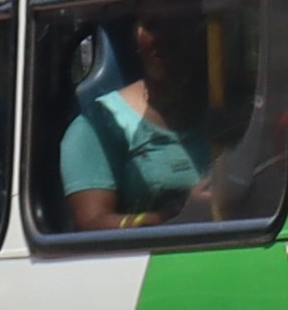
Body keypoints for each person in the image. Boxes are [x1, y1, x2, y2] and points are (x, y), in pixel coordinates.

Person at [60, 15, 214, 231]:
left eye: (178, 25)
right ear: (135, 39)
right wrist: (173, 217)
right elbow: (91, 224)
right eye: (152, 26)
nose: (164, 38)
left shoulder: (229, 111)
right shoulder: (98, 126)